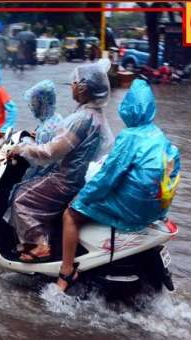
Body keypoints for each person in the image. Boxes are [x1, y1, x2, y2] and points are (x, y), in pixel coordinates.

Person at [57, 78, 181, 292]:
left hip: (131, 209)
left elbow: (108, 176)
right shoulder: (158, 135)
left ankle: (66, 272)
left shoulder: (130, 136)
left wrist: (83, 198)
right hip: (154, 209)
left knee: (70, 215)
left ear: (130, 108)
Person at [6, 60, 114, 262]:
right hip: (81, 179)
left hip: (66, 180)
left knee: (20, 197)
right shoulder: (97, 116)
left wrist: (22, 148)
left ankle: (40, 245)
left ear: (83, 88)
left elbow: (51, 152)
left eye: (74, 83)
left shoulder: (81, 118)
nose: (72, 87)